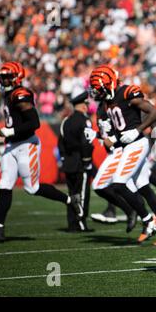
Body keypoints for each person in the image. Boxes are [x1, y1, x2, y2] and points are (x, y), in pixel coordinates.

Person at [0, 62, 83, 243]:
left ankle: (70, 200)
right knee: (5, 185)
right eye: (2, 76)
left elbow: (34, 122)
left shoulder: (21, 94)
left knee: (32, 188)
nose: (4, 80)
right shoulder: (9, 94)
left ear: (17, 77)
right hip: (11, 146)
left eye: (7, 76)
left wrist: (11, 131)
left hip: (26, 145)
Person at [89, 65, 156, 241]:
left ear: (110, 84)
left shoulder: (127, 93)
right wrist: (98, 135)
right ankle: (151, 220)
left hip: (136, 144)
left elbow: (154, 112)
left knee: (125, 184)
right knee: (131, 184)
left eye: (99, 88)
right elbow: (109, 138)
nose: (96, 92)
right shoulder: (104, 105)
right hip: (123, 147)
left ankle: (150, 219)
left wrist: (138, 130)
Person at [58, 91, 95, 232]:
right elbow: (86, 142)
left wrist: (63, 158)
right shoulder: (85, 121)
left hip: (68, 162)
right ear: (84, 105)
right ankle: (81, 222)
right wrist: (86, 160)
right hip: (80, 161)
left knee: (71, 193)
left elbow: (60, 143)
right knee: (83, 193)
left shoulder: (66, 121)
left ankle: (72, 223)